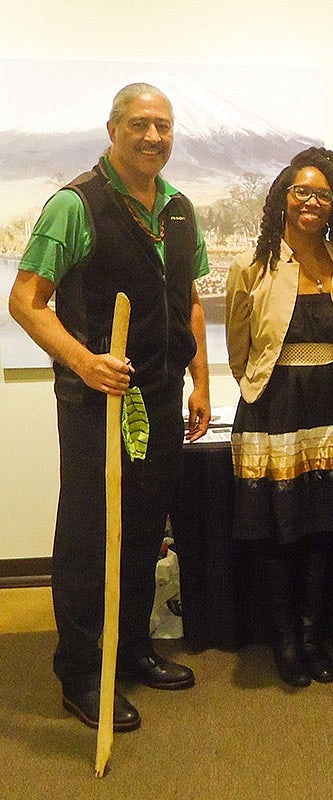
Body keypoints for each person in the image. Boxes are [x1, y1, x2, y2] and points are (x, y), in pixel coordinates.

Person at [8, 83, 211, 731]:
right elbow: (26, 301)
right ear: (113, 128)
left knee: (148, 527)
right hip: (97, 400)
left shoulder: (179, 208)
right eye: (140, 125)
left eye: (164, 126)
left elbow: (192, 302)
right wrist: (84, 361)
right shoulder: (75, 206)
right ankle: (78, 672)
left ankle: (130, 651)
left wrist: (201, 381)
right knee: (90, 537)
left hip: (162, 394)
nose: (154, 137)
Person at [225, 147, 333, 688]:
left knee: (323, 526)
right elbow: (239, 348)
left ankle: (312, 635)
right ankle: (284, 638)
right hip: (273, 405)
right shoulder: (251, 266)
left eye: (323, 194)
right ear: (284, 198)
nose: (311, 202)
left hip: (331, 406)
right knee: (279, 529)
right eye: (301, 191)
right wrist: (261, 384)